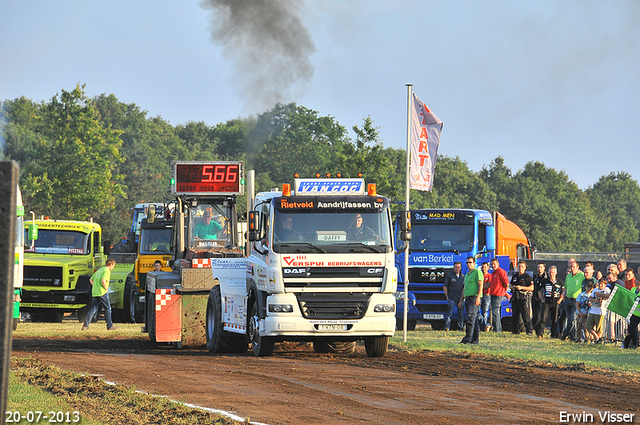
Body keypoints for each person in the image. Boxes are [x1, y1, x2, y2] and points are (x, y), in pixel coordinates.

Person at [82, 258, 117, 330]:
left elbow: (91, 279)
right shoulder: (107, 271)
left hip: (95, 292)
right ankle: (110, 326)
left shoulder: (100, 270)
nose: (113, 267)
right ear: (111, 264)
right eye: (113, 266)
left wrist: (95, 286)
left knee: (93, 308)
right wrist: (106, 289)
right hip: (102, 292)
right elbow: (103, 280)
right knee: (108, 308)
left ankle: (86, 325)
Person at [458, 257, 483, 344]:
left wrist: (478, 297)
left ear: (474, 263)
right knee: (474, 319)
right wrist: (461, 300)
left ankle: (468, 338)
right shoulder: (467, 274)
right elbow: (464, 288)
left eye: (470, 262)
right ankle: (475, 339)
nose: (469, 264)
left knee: (471, 317)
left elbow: (480, 285)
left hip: (474, 297)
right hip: (468, 298)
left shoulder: (477, 272)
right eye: (467, 263)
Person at [536, 265, 564, 338]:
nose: (551, 274)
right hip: (546, 302)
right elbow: (539, 291)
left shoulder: (559, 282)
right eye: (550, 272)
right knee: (543, 318)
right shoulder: (545, 281)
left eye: (553, 272)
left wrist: (560, 300)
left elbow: (564, 291)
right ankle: (540, 334)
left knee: (554, 319)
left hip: (555, 302)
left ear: (556, 273)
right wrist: (542, 299)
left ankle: (554, 334)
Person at [561, 260, 585, 342]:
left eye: (574, 267)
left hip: (576, 301)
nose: (572, 268)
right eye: (571, 267)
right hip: (568, 299)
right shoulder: (568, 276)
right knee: (570, 319)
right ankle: (573, 336)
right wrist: (564, 295)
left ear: (578, 267)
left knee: (572, 319)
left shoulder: (581, 275)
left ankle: (564, 334)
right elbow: (565, 287)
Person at [510, 260, 534, 335]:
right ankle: (515, 331)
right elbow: (510, 285)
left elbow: (531, 288)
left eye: (522, 267)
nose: (520, 268)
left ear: (525, 268)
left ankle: (529, 330)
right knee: (515, 315)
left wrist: (521, 287)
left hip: (523, 297)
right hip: (515, 297)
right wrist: (513, 287)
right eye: (519, 267)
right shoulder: (515, 276)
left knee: (525, 315)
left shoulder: (527, 277)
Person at [586, 277, 611, 344]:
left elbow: (610, 296)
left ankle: (598, 341)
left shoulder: (607, 290)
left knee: (599, 327)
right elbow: (590, 299)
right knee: (588, 326)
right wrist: (595, 300)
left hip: (601, 311)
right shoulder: (595, 290)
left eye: (602, 284)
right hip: (593, 310)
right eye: (599, 284)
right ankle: (597, 338)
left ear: (605, 285)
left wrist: (601, 295)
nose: (600, 285)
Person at [488, 258, 509, 332]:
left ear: (498, 264)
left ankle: (497, 329)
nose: (493, 265)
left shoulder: (501, 272)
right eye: (492, 264)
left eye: (494, 264)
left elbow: (506, 283)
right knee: (495, 312)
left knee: (495, 312)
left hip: (498, 294)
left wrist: (504, 291)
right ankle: (497, 328)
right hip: (493, 294)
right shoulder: (493, 273)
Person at [443, 261, 465, 331]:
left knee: (461, 314)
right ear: (453, 267)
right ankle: (447, 327)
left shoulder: (463, 276)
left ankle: (460, 328)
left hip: (460, 298)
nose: (457, 269)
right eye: (456, 267)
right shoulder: (450, 276)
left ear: (461, 268)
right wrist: (447, 296)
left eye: (458, 267)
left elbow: (464, 288)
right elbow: (445, 286)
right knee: (449, 314)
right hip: (452, 298)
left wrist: (462, 299)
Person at [531, 263, 548, 338]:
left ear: (544, 268)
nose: (539, 268)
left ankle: (539, 332)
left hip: (542, 299)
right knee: (535, 316)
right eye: (538, 267)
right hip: (534, 298)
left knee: (539, 316)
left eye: (541, 267)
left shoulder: (546, 277)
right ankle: (536, 330)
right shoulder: (535, 276)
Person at [478, 262, 492, 331]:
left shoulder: (489, 276)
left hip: (487, 295)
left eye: (485, 267)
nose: (484, 269)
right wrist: (483, 285)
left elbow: (488, 285)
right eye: (483, 267)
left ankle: (483, 328)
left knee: (484, 312)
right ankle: (486, 325)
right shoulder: (479, 275)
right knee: (477, 312)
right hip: (480, 295)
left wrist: (481, 285)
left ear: (488, 268)